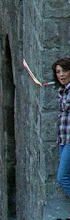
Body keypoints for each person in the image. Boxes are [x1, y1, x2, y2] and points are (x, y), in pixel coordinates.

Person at [53, 58, 70, 201]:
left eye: (64, 71)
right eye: (58, 72)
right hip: (63, 138)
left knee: (62, 177)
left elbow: (66, 105)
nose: (62, 75)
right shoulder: (63, 90)